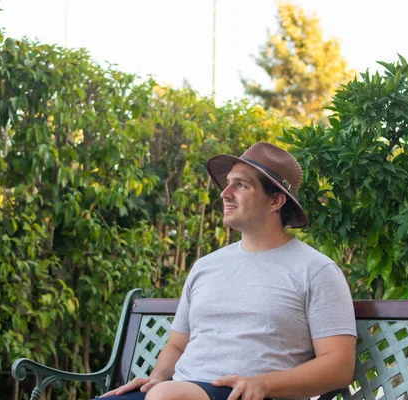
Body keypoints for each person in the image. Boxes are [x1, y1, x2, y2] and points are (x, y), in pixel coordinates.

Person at [102, 142, 357, 400]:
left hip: (251, 395)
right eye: (227, 183)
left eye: (241, 185)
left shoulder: (316, 270)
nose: (225, 193)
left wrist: (263, 384)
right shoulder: (205, 266)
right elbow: (178, 344)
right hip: (179, 391)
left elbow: (339, 365)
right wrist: (155, 379)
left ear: (276, 201)